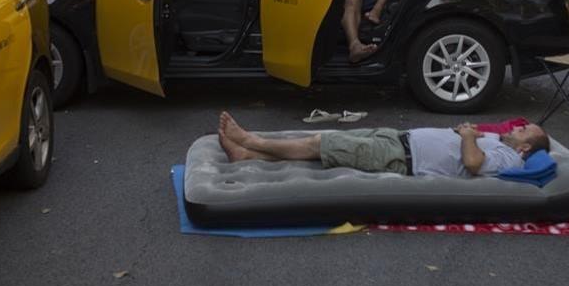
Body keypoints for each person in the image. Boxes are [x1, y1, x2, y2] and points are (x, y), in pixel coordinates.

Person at [218, 112, 549, 177]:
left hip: (401, 158)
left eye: (524, 131)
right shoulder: (500, 140)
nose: (518, 128)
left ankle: (249, 140)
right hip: (398, 140)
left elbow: (474, 164)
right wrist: (466, 129)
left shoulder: (510, 159)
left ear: (524, 149)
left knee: (322, 142)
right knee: (326, 147)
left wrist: (466, 136)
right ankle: (246, 155)